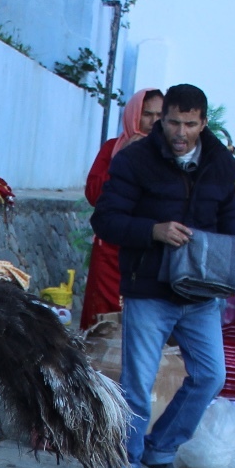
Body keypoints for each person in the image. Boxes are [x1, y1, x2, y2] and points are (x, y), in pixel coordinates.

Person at [89, 82, 235, 468]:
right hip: (149, 287)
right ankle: (124, 463)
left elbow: (228, 215)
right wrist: (154, 231)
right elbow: (105, 220)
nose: (181, 132)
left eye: (190, 124)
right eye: (173, 122)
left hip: (200, 291)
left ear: (203, 123)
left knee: (211, 376)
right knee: (137, 385)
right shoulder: (136, 160)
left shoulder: (220, 161)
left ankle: (160, 450)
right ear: (161, 121)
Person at [79, 89, 164, 329]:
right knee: (102, 320)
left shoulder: (170, 155)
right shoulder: (112, 149)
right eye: (147, 114)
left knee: (144, 323)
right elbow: (94, 193)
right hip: (111, 251)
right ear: (133, 115)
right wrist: (124, 157)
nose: (153, 121)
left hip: (150, 249)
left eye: (160, 114)